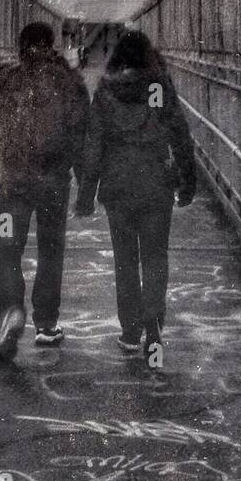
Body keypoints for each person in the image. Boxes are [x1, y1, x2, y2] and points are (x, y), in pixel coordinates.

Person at [74, 29, 195, 366]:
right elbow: (179, 134)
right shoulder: (158, 87)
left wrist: (85, 196)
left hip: (117, 188)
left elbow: (93, 146)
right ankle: (154, 325)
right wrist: (188, 181)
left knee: (125, 262)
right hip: (156, 184)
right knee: (155, 257)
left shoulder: (106, 92)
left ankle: (130, 332)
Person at [0, 21, 90, 361]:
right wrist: (85, 184)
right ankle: (46, 324)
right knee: (51, 250)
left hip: (12, 183)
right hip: (54, 182)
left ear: (21, 47)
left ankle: (11, 311)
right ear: (51, 44)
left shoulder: (4, 79)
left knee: (9, 249)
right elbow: (81, 135)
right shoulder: (70, 82)